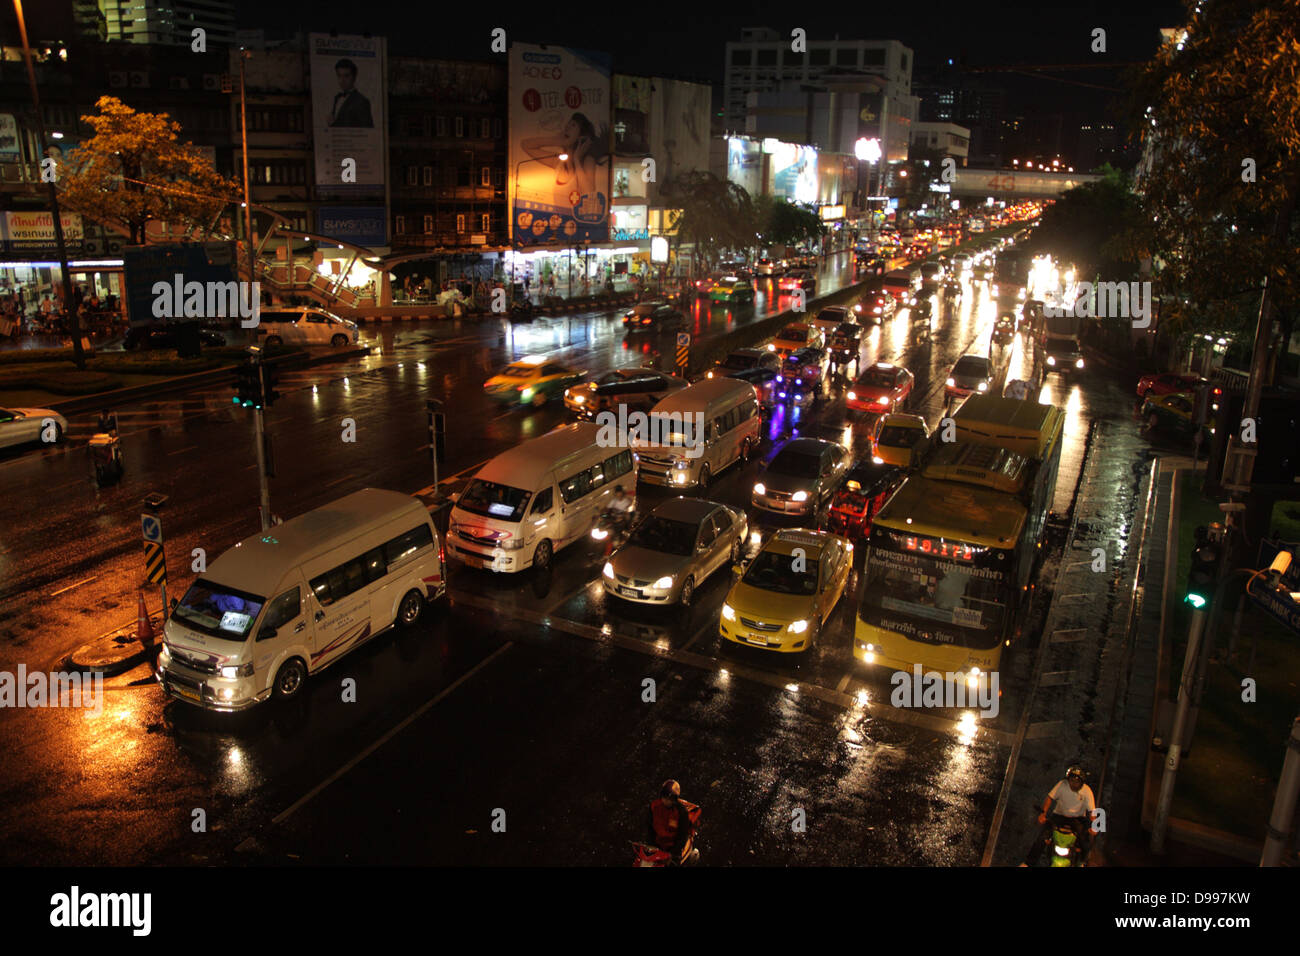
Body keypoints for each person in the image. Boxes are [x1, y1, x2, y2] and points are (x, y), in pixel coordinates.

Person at [1022, 766, 1096, 866]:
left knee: (1085, 843)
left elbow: (1092, 811)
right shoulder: (1062, 785)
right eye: (1071, 781)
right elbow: (1049, 797)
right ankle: (1028, 863)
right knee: (1042, 838)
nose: (1073, 784)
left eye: (1077, 782)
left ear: (1082, 782)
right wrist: (1043, 813)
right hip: (1059, 815)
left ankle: (1082, 862)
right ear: (1068, 780)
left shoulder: (1087, 791)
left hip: (1077, 819)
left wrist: (1094, 825)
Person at [645, 779, 700, 866]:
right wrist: (651, 845)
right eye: (664, 797)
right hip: (656, 847)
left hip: (672, 851)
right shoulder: (654, 806)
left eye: (670, 798)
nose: (666, 801)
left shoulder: (681, 812)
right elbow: (650, 828)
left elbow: (682, 837)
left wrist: (672, 854)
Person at [329, 58, 374, 128]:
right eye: (339, 75)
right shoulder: (337, 97)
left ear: (354, 77)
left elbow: (368, 129)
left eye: (346, 76)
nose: (342, 80)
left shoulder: (362, 101)